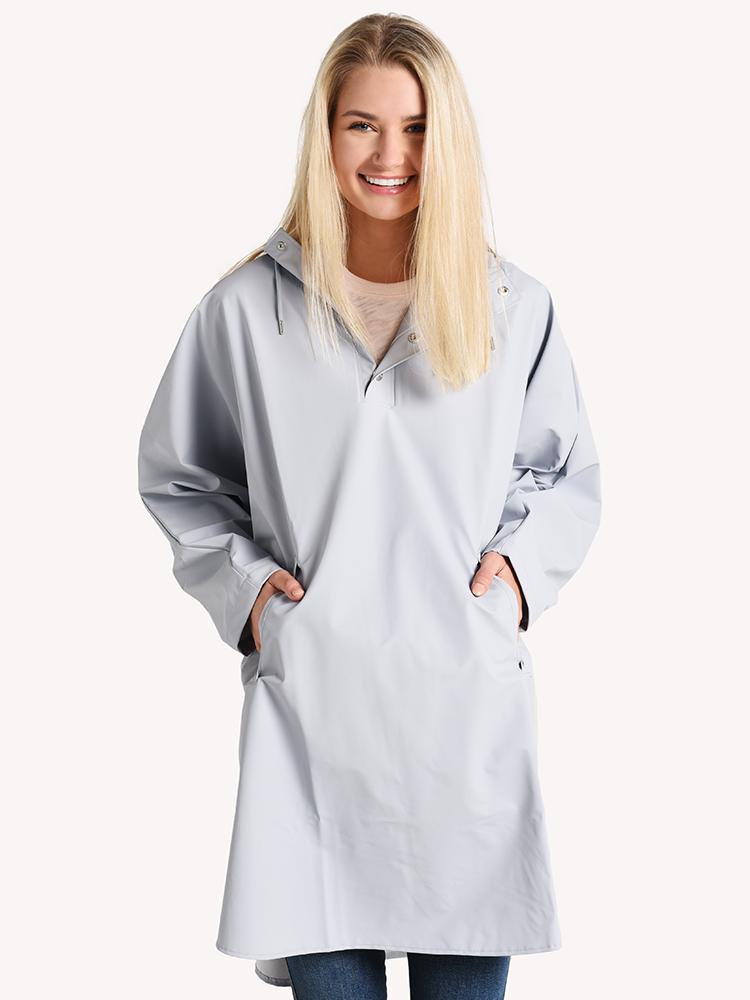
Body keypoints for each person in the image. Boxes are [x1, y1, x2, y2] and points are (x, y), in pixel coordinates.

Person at [137, 13, 602, 1000]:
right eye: (363, 125)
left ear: (451, 139)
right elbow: (181, 478)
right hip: (314, 724)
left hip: (463, 718)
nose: (391, 155)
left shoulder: (512, 307)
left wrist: (515, 580)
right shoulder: (246, 310)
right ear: (325, 133)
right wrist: (253, 598)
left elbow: (563, 475)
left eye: (418, 128)